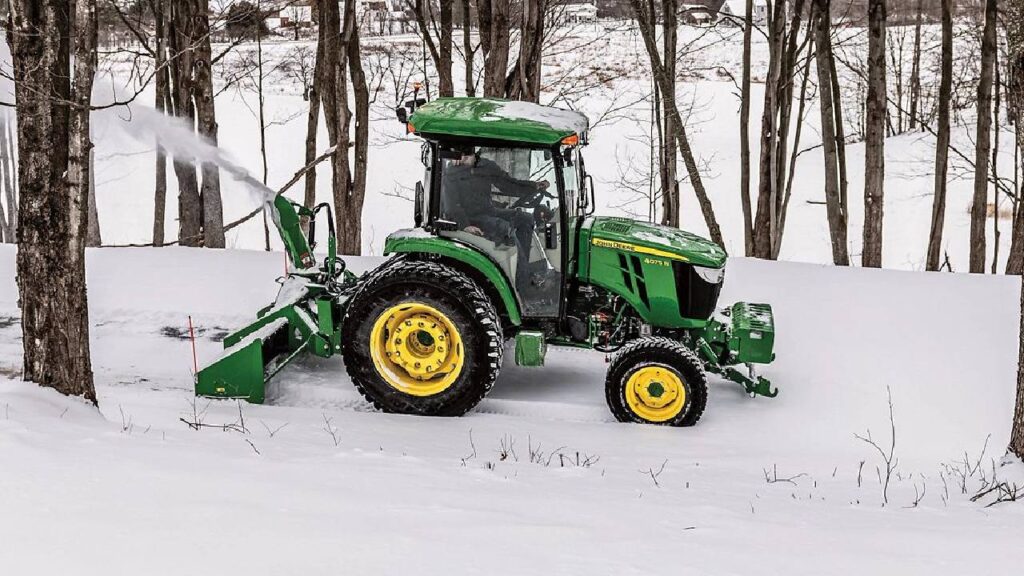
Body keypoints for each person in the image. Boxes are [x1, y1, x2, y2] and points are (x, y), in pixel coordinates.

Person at [441, 149, 555, 294]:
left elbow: (508, 184)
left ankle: (522, 268)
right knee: (503, 227)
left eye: (466, 156)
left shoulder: (486, 166)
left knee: (524, 218)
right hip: (469, 218)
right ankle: (524, 284)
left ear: (474, 154)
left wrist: (533, 186)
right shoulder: (451, 174)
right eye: (460, 155)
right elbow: (452, 205)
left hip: (488, 211)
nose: (463, 160)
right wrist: (465, 225)